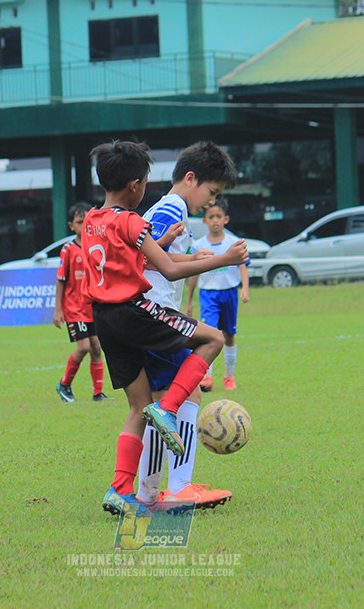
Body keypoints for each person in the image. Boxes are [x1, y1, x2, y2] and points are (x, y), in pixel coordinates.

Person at [78, 140, 248, 516]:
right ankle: (173, 456)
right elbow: (165, 269)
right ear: (136, 185)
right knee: (212, 340)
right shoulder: (134, 219)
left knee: (139, 406)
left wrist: (166, 244)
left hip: (104, 320)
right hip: (139, 311)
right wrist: (224, 258)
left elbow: (140, 258)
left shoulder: (91, 220)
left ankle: (121, 490)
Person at [134, 142, 239, 511]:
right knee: (189, 393)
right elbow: (142, 258)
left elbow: (154, 254)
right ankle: (180, 488)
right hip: (157, 312)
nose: (211, 203)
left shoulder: (166, 207)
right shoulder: (172, 206)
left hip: (148, 314)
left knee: (163, 404)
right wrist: (215, 259)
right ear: (190, 178)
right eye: (211, 193)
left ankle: (148, 493)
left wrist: (191, 257)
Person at [186, 197, 250, 392]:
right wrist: (189, 301)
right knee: (209, 335)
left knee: (229, 335)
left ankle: (229, 377)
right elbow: (193, 273)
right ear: (204, 220)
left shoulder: (233, 242)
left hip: (229, 294)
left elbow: (243, 267)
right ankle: (207, 378)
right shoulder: (198, 246)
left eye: (218, 216)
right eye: (211, 216)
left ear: (226, 219)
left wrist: (245, 288)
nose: (215, 220)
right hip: (208, 296)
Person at [53, 202, 111, 403]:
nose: (83, 224)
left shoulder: (95, 247)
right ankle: (64, 385)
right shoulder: (68, 249)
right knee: (84, 346)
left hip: (91, 307)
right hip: (74, 308)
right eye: (79, 222)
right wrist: (58, 310)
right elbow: (61, 280)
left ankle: (98, 393)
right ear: (71, 225)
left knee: (96, 347)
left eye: (86, 221)